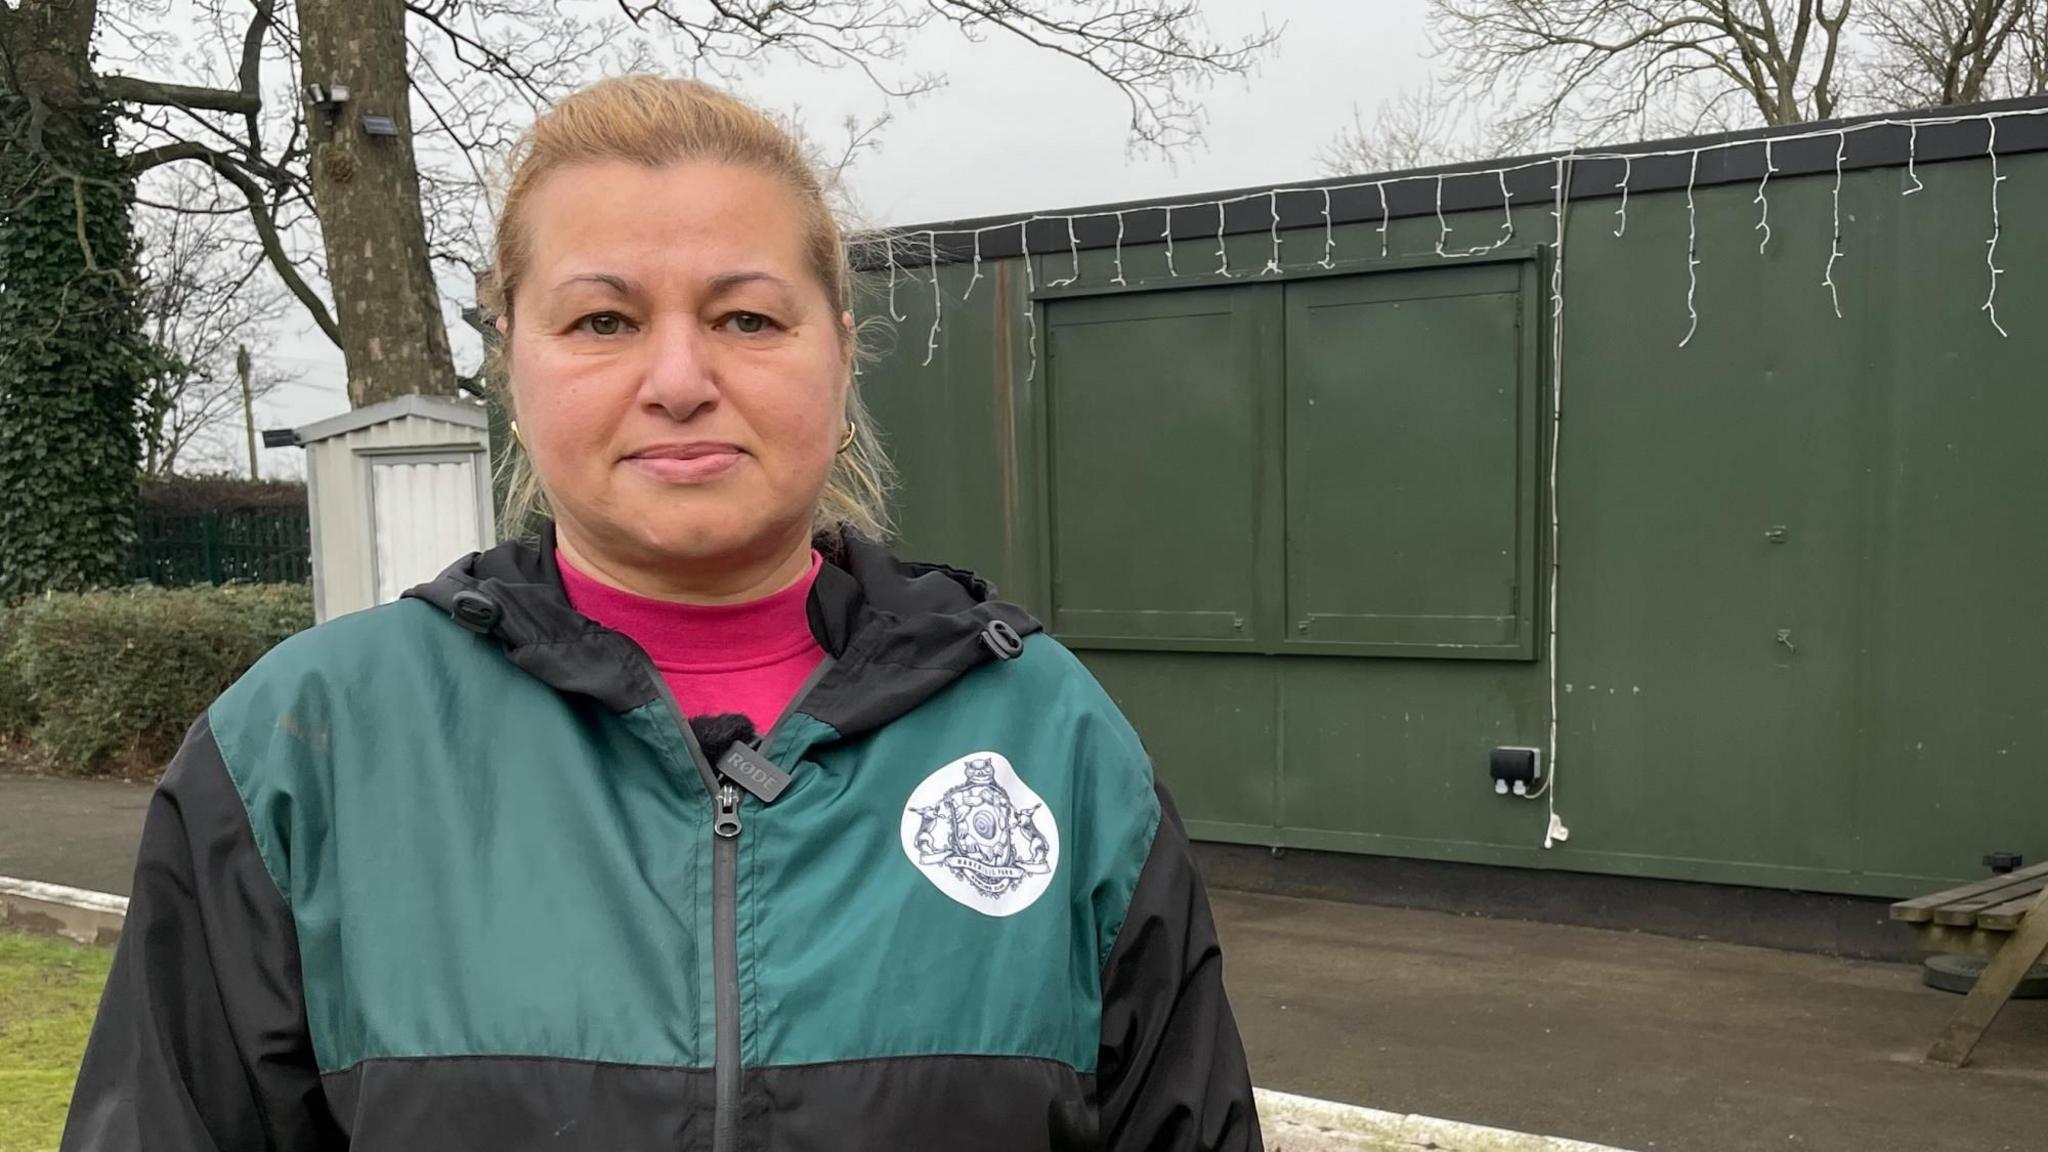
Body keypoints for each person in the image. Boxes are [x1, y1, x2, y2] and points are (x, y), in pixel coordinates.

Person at [62, 74, 1261, 1152]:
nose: (679, 380)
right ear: (512, 361)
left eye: (746, 318)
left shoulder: (1051, 742)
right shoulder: (301, 752)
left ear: (839, 358)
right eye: (602, 320)